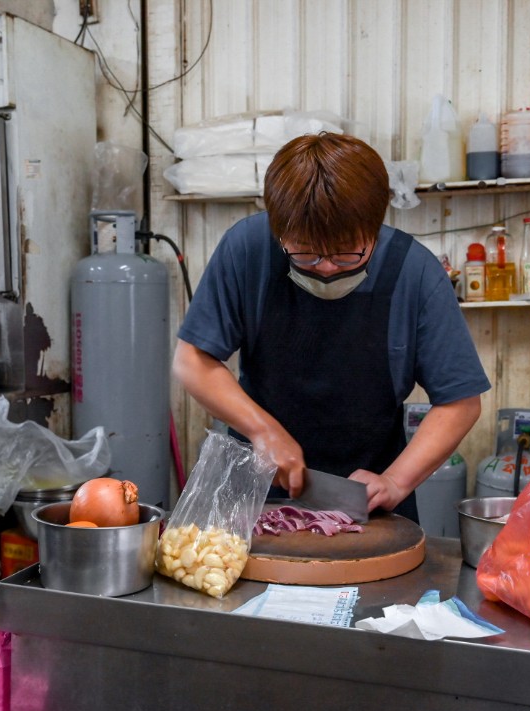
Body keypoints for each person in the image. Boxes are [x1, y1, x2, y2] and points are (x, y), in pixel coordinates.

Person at [172, 132, 489, 522]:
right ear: (279, 229)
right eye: (305, 251)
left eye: (345, 252)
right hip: (255, 496)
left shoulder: (414, 272)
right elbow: (192, 360)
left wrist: (395, 482)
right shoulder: (248, 248)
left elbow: (460, 401)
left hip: (368, 502)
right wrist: (263, 430)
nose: (324, 266)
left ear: (374, 228)